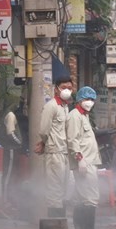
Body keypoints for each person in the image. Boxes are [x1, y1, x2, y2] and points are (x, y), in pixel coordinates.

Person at [67, 86, 103, 229]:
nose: (90, 102)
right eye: (87, 99)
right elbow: (72, 139)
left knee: (81, 196)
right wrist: (79, 159)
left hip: (88, 161)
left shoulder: (84, 115)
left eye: (92, 99)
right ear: (79, 100)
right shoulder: (75, 116)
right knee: (91, 196)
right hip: (84, 162)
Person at [35, 76, 73, 217]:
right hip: (54, 152)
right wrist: (45, 143)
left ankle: (61, 224)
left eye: (69, 88)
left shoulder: (64, 106)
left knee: (63, 189)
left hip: (64, 152)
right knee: (54, 190)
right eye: (63, 87)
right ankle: (54, 226)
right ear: (56, 89)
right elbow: (44, 130)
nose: (67, 90)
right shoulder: (51, 106)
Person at [0, 104, 23, 202]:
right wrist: (20, 142)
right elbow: (10, 133)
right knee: (8, 175)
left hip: (10, 148)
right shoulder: (10, 115)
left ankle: (8, 198)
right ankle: (5, 200)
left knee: (9, 174)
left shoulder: (7, 113)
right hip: (11, 149)